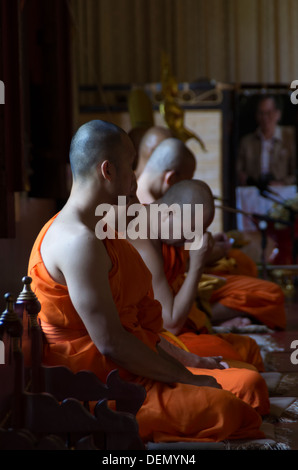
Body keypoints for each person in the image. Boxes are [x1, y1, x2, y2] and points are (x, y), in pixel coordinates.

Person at [28, 119, 266, 444]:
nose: (135, 180)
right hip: (102, 388)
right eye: (131, 168)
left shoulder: (103, 229)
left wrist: (190, 364)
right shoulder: (77, 242)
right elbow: (111, 343)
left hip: (130, 368)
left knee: (247, 387)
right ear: (108, 171)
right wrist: (187, 378)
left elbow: (137, 323)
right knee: (229, 408)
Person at [136, 139, 286, 331]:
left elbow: (178, 263)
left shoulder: (160, 217)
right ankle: (205, 316)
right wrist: (199, 261)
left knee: (242, 264)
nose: (191, 239)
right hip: (166, 315)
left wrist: (208, 250)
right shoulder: (145, 233)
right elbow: (169, 323)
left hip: (173, 300)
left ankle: (201, 317)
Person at [237, 94, 296, 186]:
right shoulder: (246, 142)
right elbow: (238, 170)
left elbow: (295, 173)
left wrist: (282, 183)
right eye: (261, 113)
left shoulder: (290, 138)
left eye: (269, 113)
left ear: (278, 114)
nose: (265, 117)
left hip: (283, 191)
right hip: (255, 190)